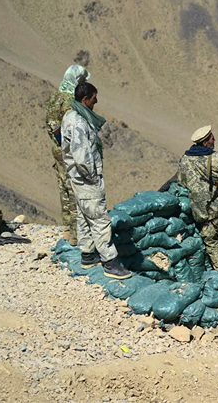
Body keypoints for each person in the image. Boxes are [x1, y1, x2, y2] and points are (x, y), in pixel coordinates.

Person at [61, 82, 131, 280]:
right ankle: (111, 263)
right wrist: (92, 178)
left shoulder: (72, 116)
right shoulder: (79, 122)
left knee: (85, 216)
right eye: (93, 98)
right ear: (85, 99)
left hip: (79, 178)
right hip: (86, 179)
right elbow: (82, 156)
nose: (96, 101)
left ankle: (88, 254)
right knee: (100, 219)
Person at [178, 126, 218, 271]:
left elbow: (182, 182)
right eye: (212, 138)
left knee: (211, 242)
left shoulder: (185, 159)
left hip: (202, 209)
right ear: (206, 142)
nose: (214, 140)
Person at [45, 65, 89, 246]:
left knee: (63, 189)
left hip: (57, 150)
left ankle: (67, 231)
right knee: (74, 191)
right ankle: (77, 235)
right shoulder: (71, 101)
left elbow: (50, 124)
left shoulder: (54, 97)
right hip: (69, 152)